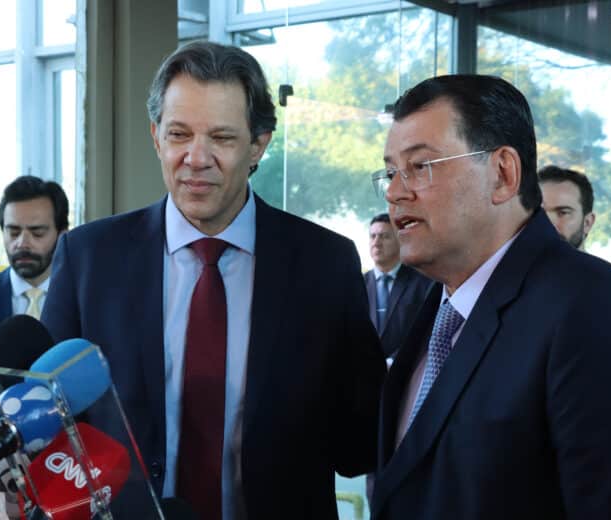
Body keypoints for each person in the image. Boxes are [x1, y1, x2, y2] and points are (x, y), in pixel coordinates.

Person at [42, 41, 385, 519]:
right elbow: (47, 424)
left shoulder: (324, 264)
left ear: (258, 144)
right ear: (156, 136)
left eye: (221, 138)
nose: (196, 158)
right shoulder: (88, 259)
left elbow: (358, 441)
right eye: (179, 134)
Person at [370, 74, 611, 519]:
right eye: (390, 171)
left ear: (503, 173)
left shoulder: (595, 308)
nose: (394, 191)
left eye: (420, 166)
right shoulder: (434, 306)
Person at [0, 175, 69, 335]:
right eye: (13, 232)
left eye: (37, 232)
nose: (22, 243)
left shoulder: (84, 300)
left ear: (62, 235)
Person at [539, 164, 611, 299]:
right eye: (538, 213)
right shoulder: (511, 292)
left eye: (563, 212)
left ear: (587, 223)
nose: (548, 224)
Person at [364, 213, 431, 363]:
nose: (376, 242)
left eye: (384, 236)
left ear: (400, 241)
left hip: (405, 369)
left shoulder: (423, 282)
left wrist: (393, 361)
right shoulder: (358, 283)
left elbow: (425, 330)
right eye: (372, 236)